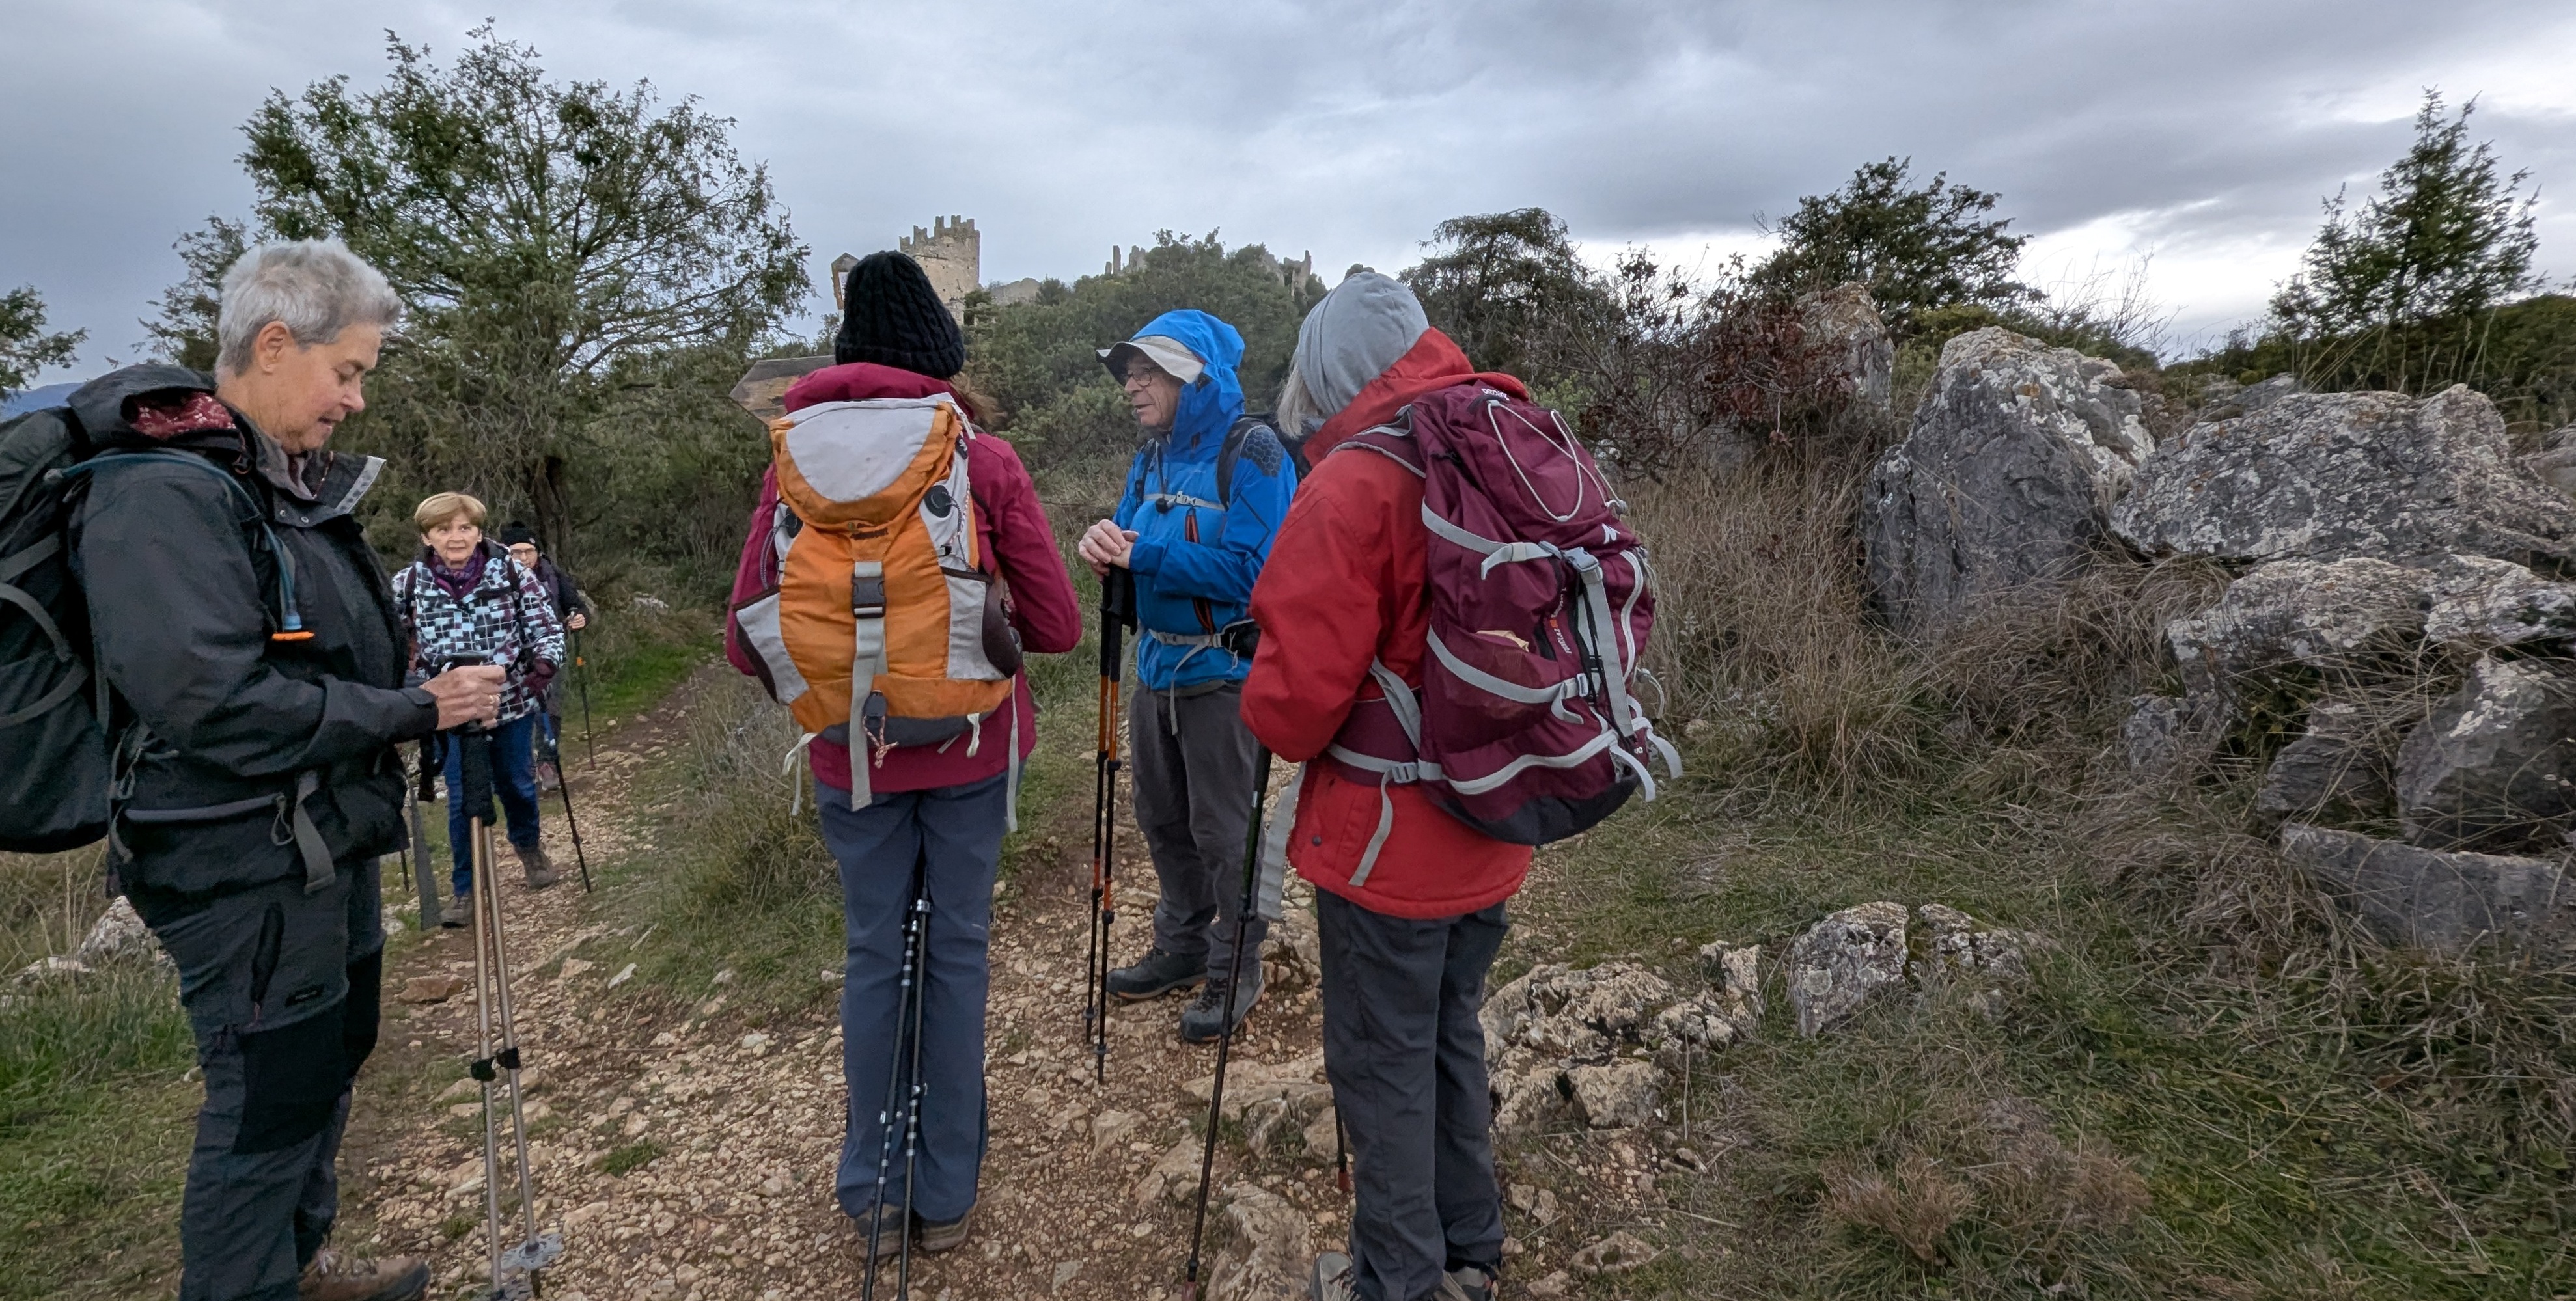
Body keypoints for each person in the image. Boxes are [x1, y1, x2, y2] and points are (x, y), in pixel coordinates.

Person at [68, 240, 503, 1301]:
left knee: (324, 1061)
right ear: (274, 344)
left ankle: (296, 1264)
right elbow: (214, 701)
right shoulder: (158, 494)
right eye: (346, 370)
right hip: (238, 858)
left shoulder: (262, 482)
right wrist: (416, 708)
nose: (356, 399)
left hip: (314, 840)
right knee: (265, 1102)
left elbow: (306, 654)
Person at [723, 250, 1081, 1258]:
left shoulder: (789, 462)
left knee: (877, 954)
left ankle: (873, 1190)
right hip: (971, 751)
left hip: (851, 754)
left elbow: (742, 641)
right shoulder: (982, 458)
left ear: (845, 355)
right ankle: (947, 1191)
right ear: (939, 352)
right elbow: (1058, 626)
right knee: (955, 954)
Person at [1241, 273, 1535, 1301]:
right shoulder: (1496, 440)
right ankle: (1470, 1246)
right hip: (1497, 812)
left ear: (1328, 376)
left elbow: (1292, 710)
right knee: (1450, 1028)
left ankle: (1397, 1281)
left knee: (1381, 1064)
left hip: (1388, 847)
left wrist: (1260, 685)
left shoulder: (1352, 484)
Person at [1079, 310, 1297, 1043]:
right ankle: (1182, 946)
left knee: (1223, 830)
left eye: (1148, 372)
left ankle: (1236, 964)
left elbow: (1255, 573)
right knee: (1163, 817)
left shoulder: (1255, 452)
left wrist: (1143, 556)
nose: (1131, 386)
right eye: (1128, 373)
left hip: (1223, 672)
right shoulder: (1151, 457)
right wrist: (1103, 547)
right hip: (1156, 669)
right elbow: (1126, 537)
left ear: (1193, 376)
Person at [390, 493, 568, 925]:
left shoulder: (511, 572)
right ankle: (466, 890)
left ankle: (528, 847)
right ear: (427, 537)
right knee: (462, 798)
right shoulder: (408, 584)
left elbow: (547, 629)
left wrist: (540, 669)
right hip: (448, 712)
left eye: (465, 527)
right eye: (443, 529)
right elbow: (386, 645)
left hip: (511, 704)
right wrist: (409, 693)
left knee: (517, 785)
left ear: (479, 532)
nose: (456, 537)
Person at [495, 522, 589, 789]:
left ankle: (547, 762)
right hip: (508, 658)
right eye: (517, 552)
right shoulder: (495, 578)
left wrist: (580, 617)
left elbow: (575, 605)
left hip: (548, 652)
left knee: (551, 705)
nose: (524, 558)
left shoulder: (551, 573)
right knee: (516, 711)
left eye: (529, 551)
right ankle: (520, 767)